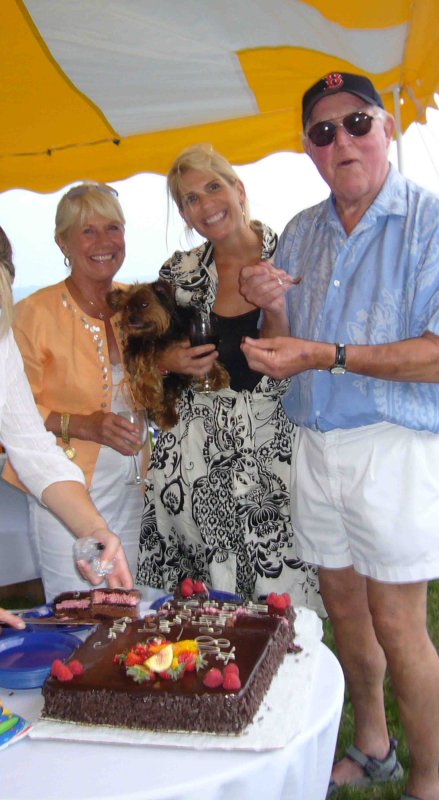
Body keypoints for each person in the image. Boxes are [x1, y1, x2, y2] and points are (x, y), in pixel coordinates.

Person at [239, 72, 439, 800]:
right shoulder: (301, 232)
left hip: (394, 448)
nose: (342, 140)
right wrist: (271, 317)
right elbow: (283, 346)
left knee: (399, 624)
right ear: (309, 149)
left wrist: (325, 354)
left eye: (357, 123)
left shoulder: (433, 223)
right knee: (343, 608)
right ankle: (374, 744)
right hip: (318, 448)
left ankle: (424, 784)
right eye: (324, 131)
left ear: (387, 128)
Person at [136, 143, 323, 614]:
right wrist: (168, 359)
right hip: (195, 464)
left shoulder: (293, 258)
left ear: (239, 190)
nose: (206, 204)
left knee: (287, 602)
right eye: (190, 199)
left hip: (275, 455)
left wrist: (275, 307)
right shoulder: (178, 274)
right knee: (209, 616)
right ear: (184, 214)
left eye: (213, 187)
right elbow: (144, 358)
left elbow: (295, 356)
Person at [3, 184, 148, 602]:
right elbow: (18, 412)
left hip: (132, 484)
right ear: (62, 241)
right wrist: (83, 424)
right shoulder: (33, 313)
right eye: (87, 231)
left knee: (127, 599)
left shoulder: (136, 305)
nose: (104, 242)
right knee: (78, 608)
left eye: (113, 228)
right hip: (62, 484)